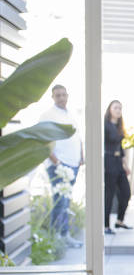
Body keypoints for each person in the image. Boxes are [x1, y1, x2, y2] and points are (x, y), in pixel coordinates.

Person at [40, 84, 83, 248]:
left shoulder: (70, 114)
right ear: (52, 97)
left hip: (73, 164)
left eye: (64, 94)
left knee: (66, 202)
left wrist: (81, 157)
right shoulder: (47, 115)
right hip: (59, 165)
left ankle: (64, 235)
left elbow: (78, 137)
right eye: (58, 95)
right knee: (60, 202)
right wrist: (56, 162)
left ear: (67, 96)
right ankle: (56, 238)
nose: (61, 98)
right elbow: (43, 141)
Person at [104, 100, 132, 235]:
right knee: (109, 195)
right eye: (115, 108)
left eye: (120, 108)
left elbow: (120, 148)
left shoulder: (119, 126)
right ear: (110, 109)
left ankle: (119, 221)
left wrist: (125, 165)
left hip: (118, 162)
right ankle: (106, 226)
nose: (118, 110)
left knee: (126, 192)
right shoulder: (105, 125)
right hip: (109, 161)